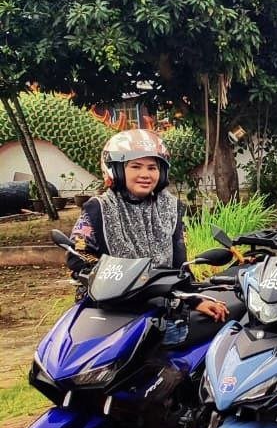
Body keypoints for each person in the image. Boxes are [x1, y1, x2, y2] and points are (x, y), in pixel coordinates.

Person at [70, 129, 229, 324]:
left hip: (162, 306)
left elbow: (180, 265)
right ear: (115, 169)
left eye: (152, 168)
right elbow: (78, 254)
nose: (145, 174)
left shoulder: (172, 209)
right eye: (135, 166)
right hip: (110, 307)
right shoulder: (98, 208)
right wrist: (103, 273)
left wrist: (195, 299)